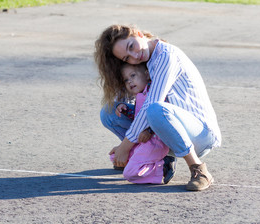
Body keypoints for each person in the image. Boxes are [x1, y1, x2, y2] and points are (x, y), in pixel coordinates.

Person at [95, 24, 221, 191]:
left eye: (131, 46)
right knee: (110, 112)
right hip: (168, 130)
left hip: (201, 134)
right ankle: (156, 159)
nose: (134, 56)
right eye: (127, 58)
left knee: (155, 109)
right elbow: (133, 101)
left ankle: (198, 169)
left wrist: (124, 147)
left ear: (138, 33)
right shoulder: (145, 59)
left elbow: (151, 104)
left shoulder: (166, 55)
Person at [109, 62, 175, 184]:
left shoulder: (154, 91)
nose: (129, 81)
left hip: (156, 141)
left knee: (130, 173)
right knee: (114, 156)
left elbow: (163, 115)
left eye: (133, 75)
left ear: (146, 74)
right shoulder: (141, 94)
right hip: (143, 141)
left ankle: (161, 168)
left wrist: (149, 130)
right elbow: (139, 115)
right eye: (126, 80)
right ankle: (146, 163)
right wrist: (126, 110)